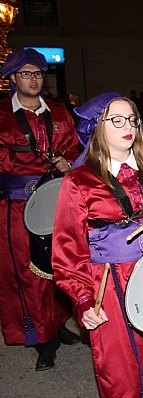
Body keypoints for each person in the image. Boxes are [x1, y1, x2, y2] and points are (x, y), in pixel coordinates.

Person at [51, 92, 143, 397]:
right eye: (116, 120)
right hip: (110, 286)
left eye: (131, 119)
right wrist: (82, 301)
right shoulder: (78, 181)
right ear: (98, 127)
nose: (127, 126)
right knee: (123, 372)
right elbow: (67, 253)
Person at [0, 48, 82, 372]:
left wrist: (68, 162)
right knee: (25, 273)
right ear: (12, 79)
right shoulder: (2, 115)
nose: (33, 80)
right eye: (25, 74)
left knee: (58, 267)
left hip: (57, 203)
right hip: (16, 207)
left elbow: (76, 150)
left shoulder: (61, 112)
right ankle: (43, 340)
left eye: (37, 74)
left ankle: (57, 323)